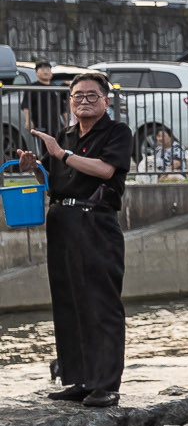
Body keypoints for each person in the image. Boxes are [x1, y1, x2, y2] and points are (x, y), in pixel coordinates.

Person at [19, 70, 131, 407]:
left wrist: (61, 154)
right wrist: (37, 166)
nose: (84, 101)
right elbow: (55, 180)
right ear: (69, 102)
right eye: (77, 96)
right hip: (62, 220)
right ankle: (80, 378)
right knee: (69, 302)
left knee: (101, 302)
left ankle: (106, 383)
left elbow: (106, 170)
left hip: (95, 220)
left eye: (92, 95)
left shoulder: (117, 132)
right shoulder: (64, 134)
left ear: (106, 100)